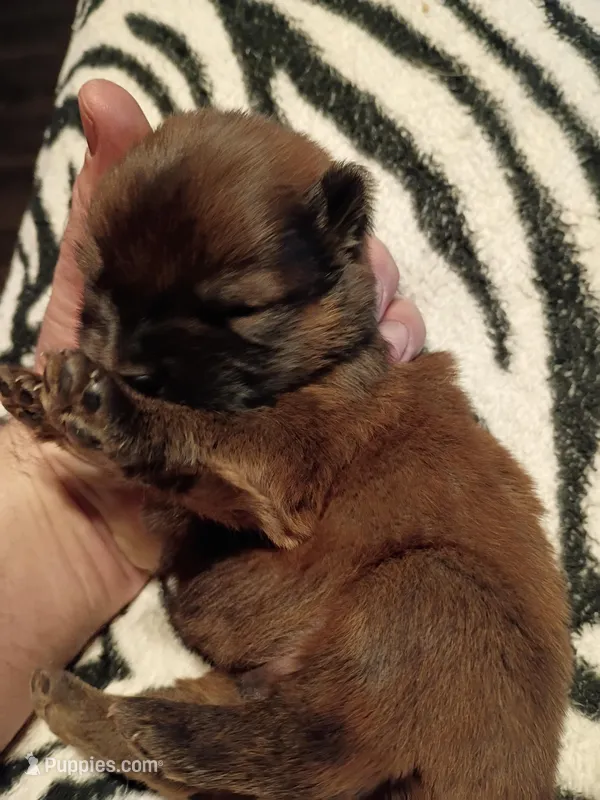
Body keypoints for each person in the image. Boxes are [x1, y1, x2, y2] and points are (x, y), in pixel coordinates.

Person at [0, 80, 426, 752]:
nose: (121, 358)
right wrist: (49, 475)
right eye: (105, 301)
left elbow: (278, 475)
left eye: (233, 312)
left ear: (341, 240)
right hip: (277, 689)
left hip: (377, 687)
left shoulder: (351, 402)